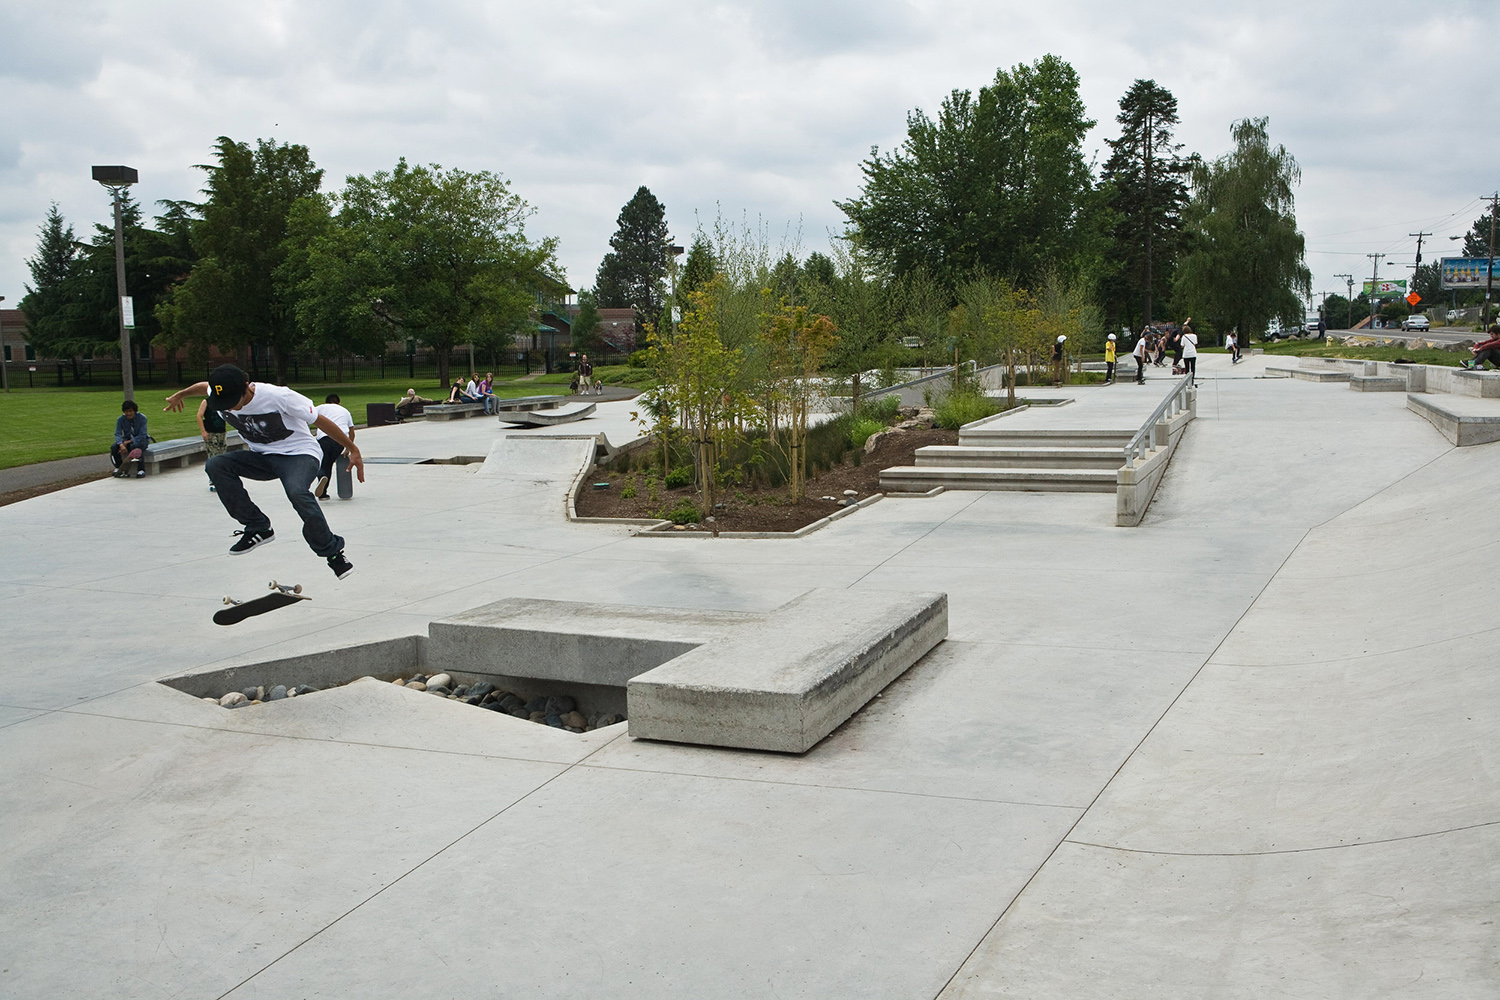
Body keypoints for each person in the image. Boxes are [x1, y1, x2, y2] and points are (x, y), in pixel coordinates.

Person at [164, 364, 364, 580]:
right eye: (224, 405)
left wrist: (353, 449)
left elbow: (320, 421)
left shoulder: (279, 396)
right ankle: (258, 527)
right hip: (262, 457)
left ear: (247, 389)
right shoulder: (220, 392)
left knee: (297, 492)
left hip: (298, 454)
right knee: (216, 465)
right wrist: (182, 393)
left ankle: (333, 553)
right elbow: (205, 387)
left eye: (233, 404)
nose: (229, 409)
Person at [312, 393, 355, 500]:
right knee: (329, 464)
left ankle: (322, 488)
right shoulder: (345, 411)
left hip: (324, 439)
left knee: (323, 464)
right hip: (340, 441)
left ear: (326, 402)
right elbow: (352, 433)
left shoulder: (321, 408)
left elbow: (306, 416)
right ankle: (323, 490)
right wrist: (348, 448)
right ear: (339, 403)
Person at [111, 400, 149, 478]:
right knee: (114, 447)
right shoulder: (121, 420)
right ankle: (119, 467)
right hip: (127, 441)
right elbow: (117, 433)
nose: (128, 413)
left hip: (141, 440)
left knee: (136, 446)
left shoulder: (142, 418)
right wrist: (121, 444)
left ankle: (141, 470)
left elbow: (142, 434)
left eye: (131, 411)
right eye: (126, 411)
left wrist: (128, 442)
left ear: (134, 411)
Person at [197, 398, 228, 491]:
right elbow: (199, 416)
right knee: (213, 456)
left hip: (221, 432)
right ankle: (213, 480)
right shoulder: (206, 402)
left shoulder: (222, 402)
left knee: (222, 455)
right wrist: (203, 431)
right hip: (210, 432)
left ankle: (222, 479)